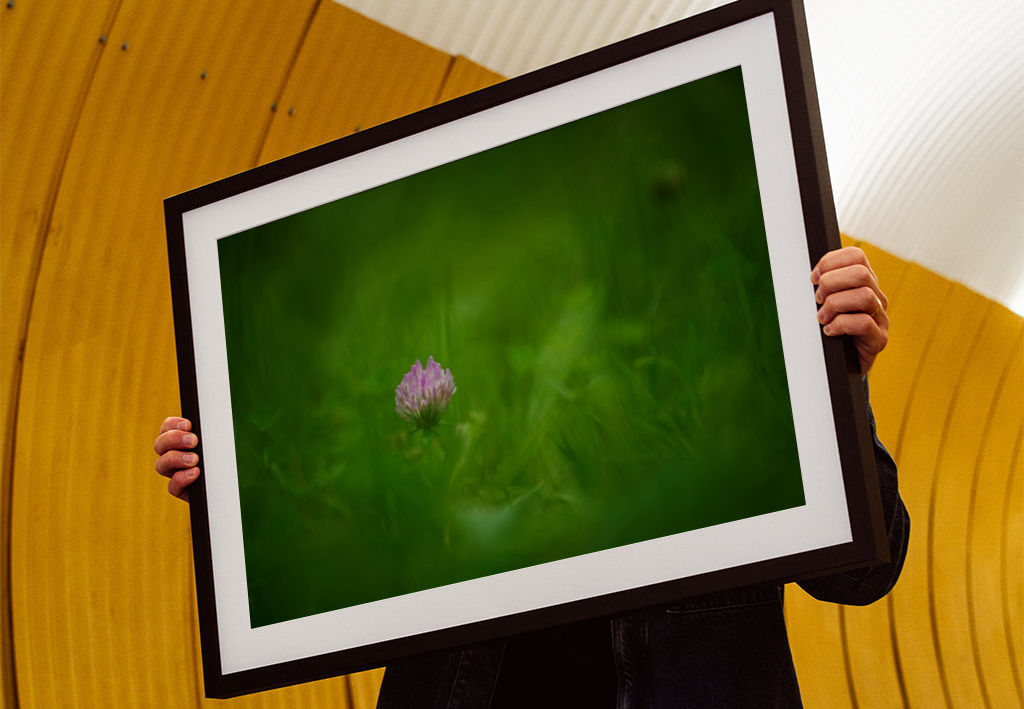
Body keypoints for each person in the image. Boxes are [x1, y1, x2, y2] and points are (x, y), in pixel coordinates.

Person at [154, 247, 909, 707]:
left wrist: (836, 380)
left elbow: (866, 571)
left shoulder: (737, 389)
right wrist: (242, 490)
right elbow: (359, 531)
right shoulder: (459, 419)